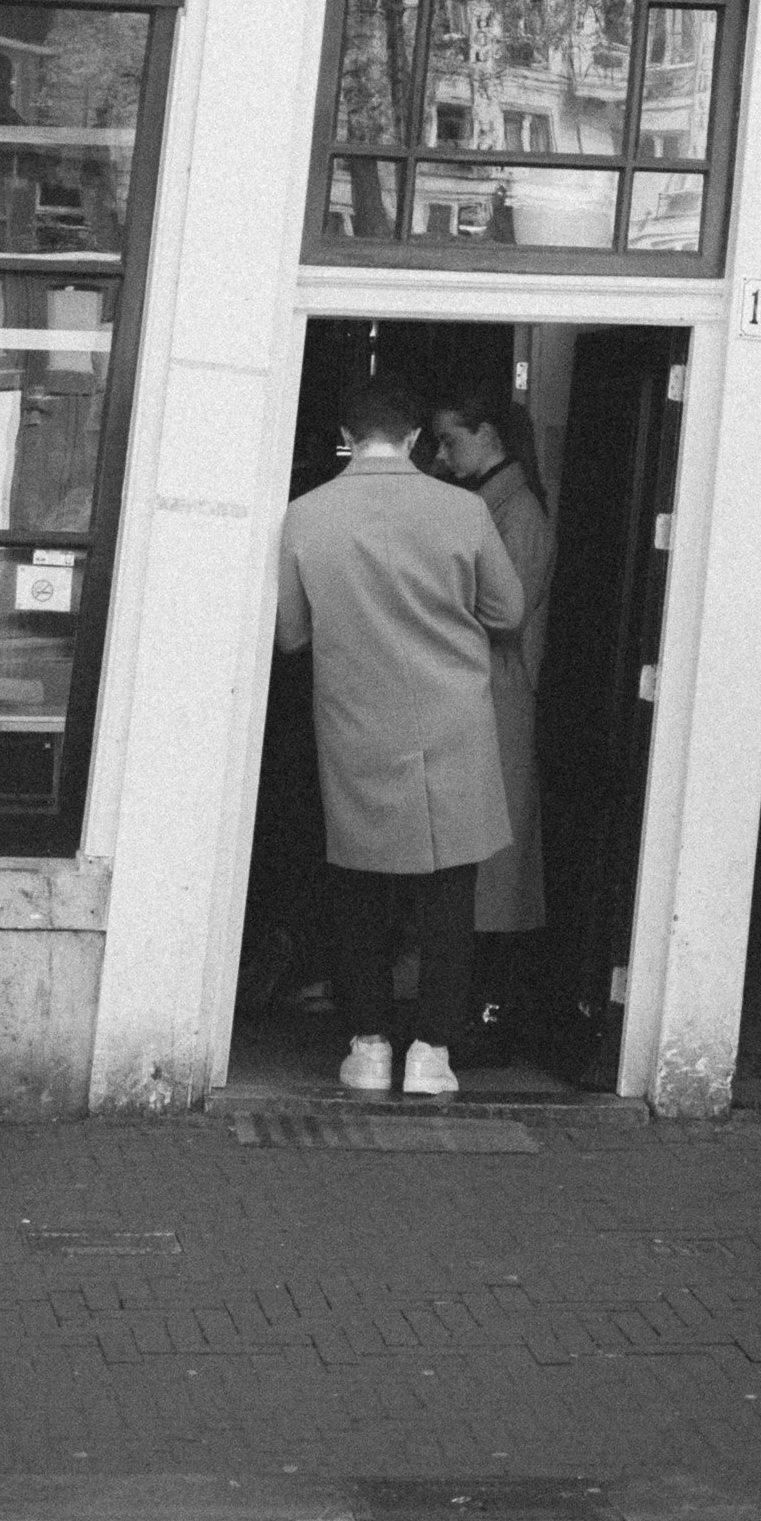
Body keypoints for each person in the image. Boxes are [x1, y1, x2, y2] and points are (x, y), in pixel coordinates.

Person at [274, 373, 523, 1100]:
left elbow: (291, 635)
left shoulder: (304, 515)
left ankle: (370, 1044)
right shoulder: (464, 511)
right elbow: (508, 613)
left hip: (354, 724)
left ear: (346, 438)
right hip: (452, 724)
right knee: (450, 892)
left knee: (357, 890)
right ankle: (432, 1053)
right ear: (415, 439)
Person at [430, 388, 556, 1065]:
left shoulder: (518, 514)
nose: (444, 459)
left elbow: (502, 614)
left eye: (452, 441)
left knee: (492, 869)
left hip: (495, 697)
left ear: (489, 435)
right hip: (476, 695)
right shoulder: (492, 504)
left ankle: (484, 1016)